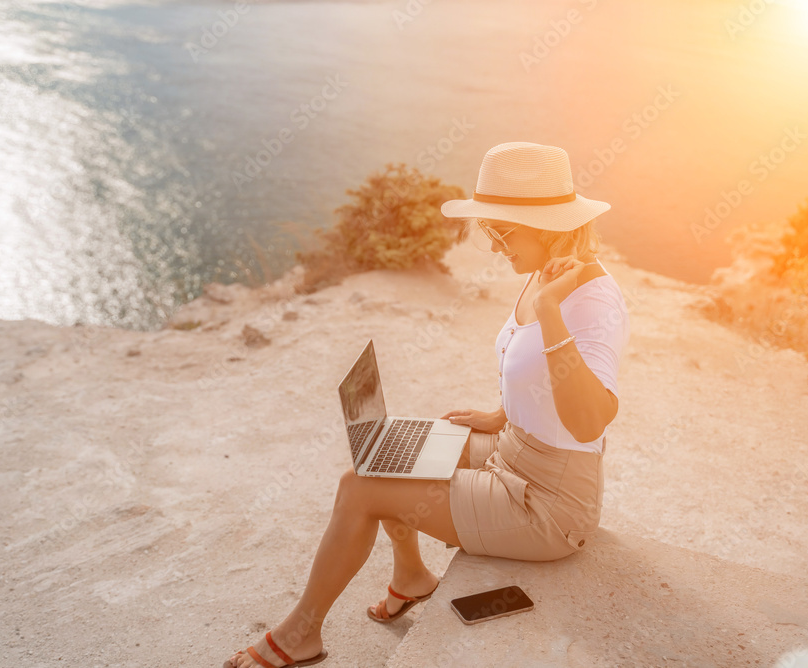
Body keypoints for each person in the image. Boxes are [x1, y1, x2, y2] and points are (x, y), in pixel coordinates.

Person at [222, 142, 630, 668]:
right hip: (514, 451)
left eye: (501, 231)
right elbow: (532, 371)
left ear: (549, 225)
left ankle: (299, 635)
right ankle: (411, 576)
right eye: (489, 230)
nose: (492, 245)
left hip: (549, 503)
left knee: (360, 487)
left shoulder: (591, 301)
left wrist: (551, 310)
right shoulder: (543, 269)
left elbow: (589, 420)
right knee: (394, 447)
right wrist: (500, 415)